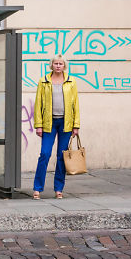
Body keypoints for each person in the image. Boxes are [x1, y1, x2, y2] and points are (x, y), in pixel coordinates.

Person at [32, 55, 80, 200]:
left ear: (64, 66)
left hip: (66, 123)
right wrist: (38, 125)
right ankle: (37, 188)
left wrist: (76, 125)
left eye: (60, 63)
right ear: (51, 65)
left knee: (61, 157)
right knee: (45, 154)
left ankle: (59, 189)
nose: (58, 66)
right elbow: (38, 104)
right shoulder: (44, 81)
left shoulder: (71, 81)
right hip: (49, 123)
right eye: (55, 63)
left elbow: (75, 104)